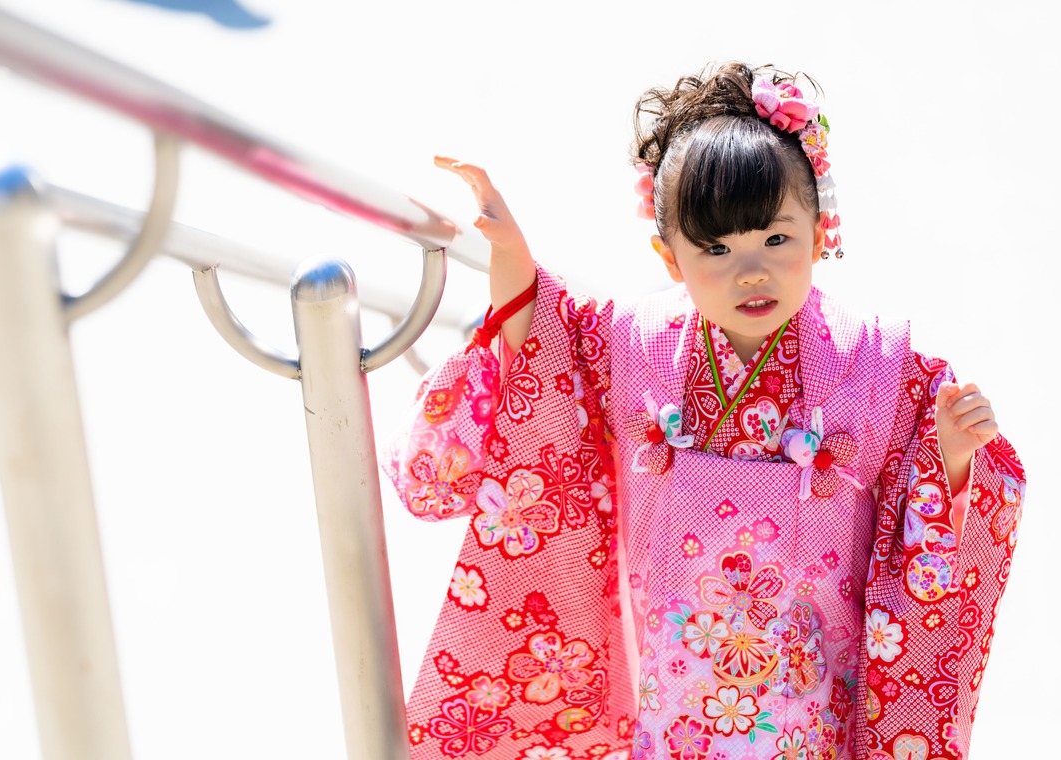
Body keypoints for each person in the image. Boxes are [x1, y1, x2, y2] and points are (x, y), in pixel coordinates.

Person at [382, 61, 1025, 760]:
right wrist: (508, 250)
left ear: (819, 233)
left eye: (775, 239)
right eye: (715, 248)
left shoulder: (874, 363)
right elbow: (543, 333)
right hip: (678, 696)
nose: (751, 270)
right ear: (670, 259)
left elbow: (922, 501)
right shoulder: (634, 344)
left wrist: (950, 454)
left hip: (810, 702)